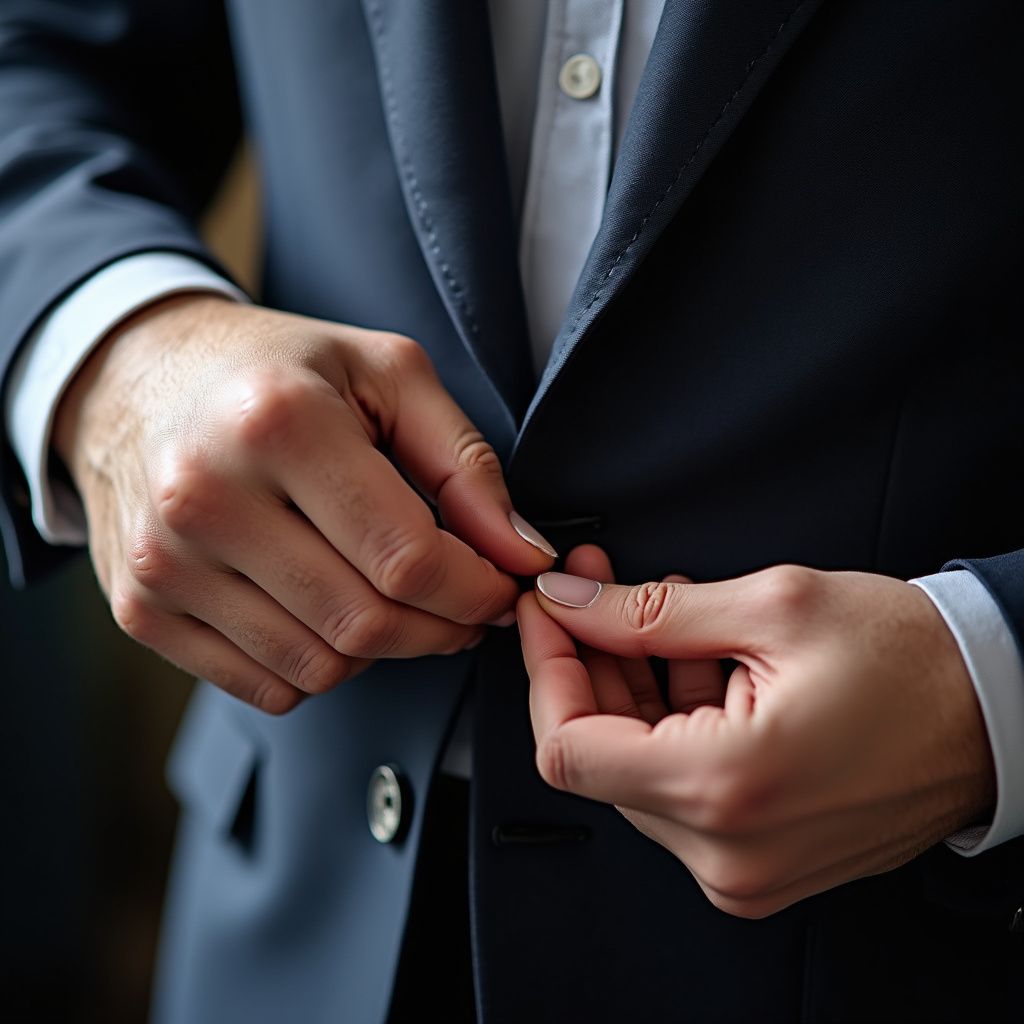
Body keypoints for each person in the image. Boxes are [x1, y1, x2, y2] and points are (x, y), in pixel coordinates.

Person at [1, 1, 1021, 1021]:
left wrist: (985, 690)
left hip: (912, 947)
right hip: (297, 927)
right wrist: (117, 359)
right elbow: (35, 47)